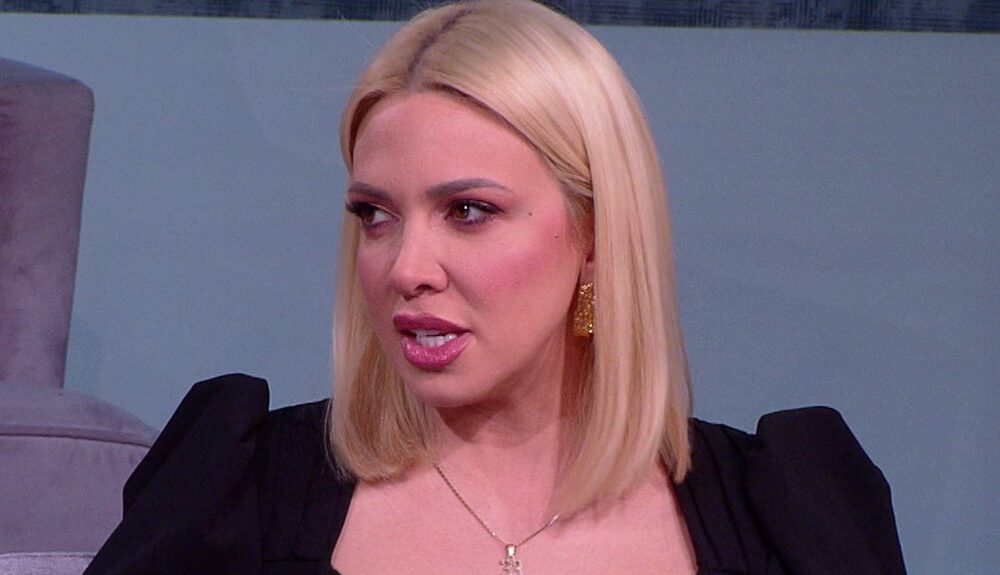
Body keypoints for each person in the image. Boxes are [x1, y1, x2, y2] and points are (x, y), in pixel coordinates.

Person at [84, 1, 907, 574]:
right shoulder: (239, 496)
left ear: (596, 236)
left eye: (468, 211)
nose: (406, 267)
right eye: (375, 215)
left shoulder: (782, 519)